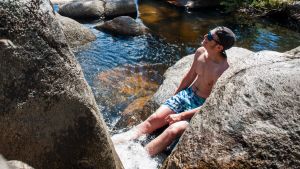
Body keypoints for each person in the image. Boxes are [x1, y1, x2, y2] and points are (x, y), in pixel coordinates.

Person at [112, 26, 236, 156]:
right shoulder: (200, 52)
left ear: (219, 47)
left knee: (173, 130)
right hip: (186, 95)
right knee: (153, 119)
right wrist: (175, 97)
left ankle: (137, 159)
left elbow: (211, 103)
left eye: (210, 37)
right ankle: (111, 144)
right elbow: (189, 77)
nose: (205, 36)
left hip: (199, 106)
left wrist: (181, 115)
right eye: (207, 34)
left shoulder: (222, 71)